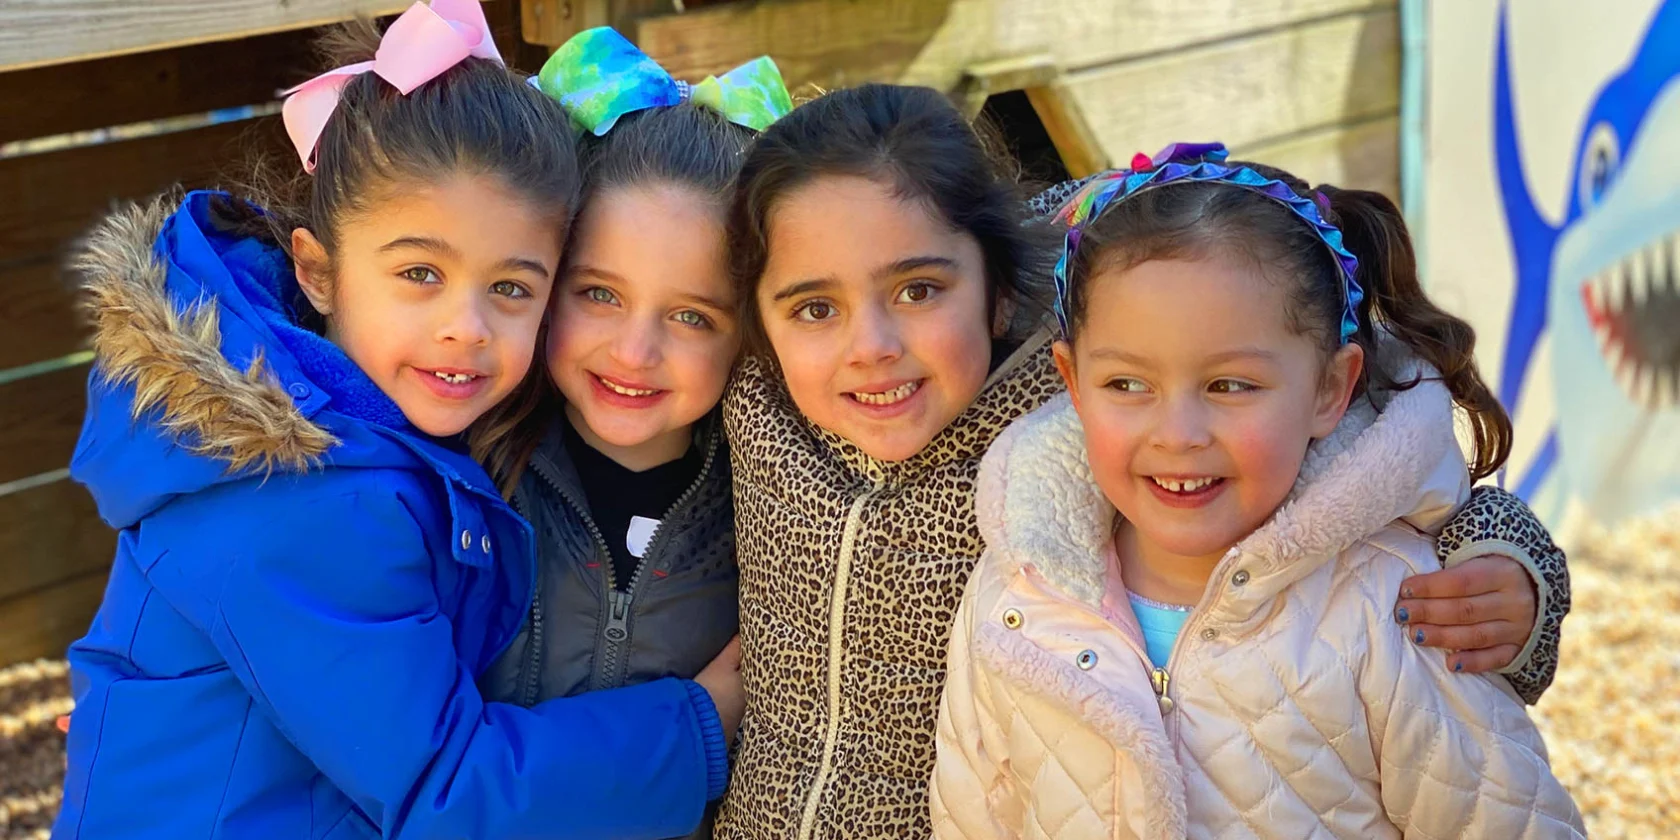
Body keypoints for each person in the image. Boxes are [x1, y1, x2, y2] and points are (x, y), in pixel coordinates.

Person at [715, 88, 1571, 839]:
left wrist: (1518, 566)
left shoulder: (1064, 404)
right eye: (815, 308)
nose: (871, 346)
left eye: (919, 291)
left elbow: (1356, 413)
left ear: (1001, 290)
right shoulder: (756, 406)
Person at [54, 6, 734, 837]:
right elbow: (445, 792)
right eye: (420, 273)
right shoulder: (298, 500)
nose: (467, 328)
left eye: (510, 288)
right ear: (317, 270)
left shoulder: (364, 431)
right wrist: (702, 723)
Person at [930, 144, 1584, 838]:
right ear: (1073, 382)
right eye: (1127, 384)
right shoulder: (1017, 595)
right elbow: (971, 815)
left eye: (1231, 385)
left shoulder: (1394, 605)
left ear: (1329, 389)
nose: (1178, 434)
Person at [475, 28, 791, 839]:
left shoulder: (774, 514)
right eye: (600, 295)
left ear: (748, 334)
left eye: (692, 316)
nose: (635, 352)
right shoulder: (467, 478)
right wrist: (700, 720)